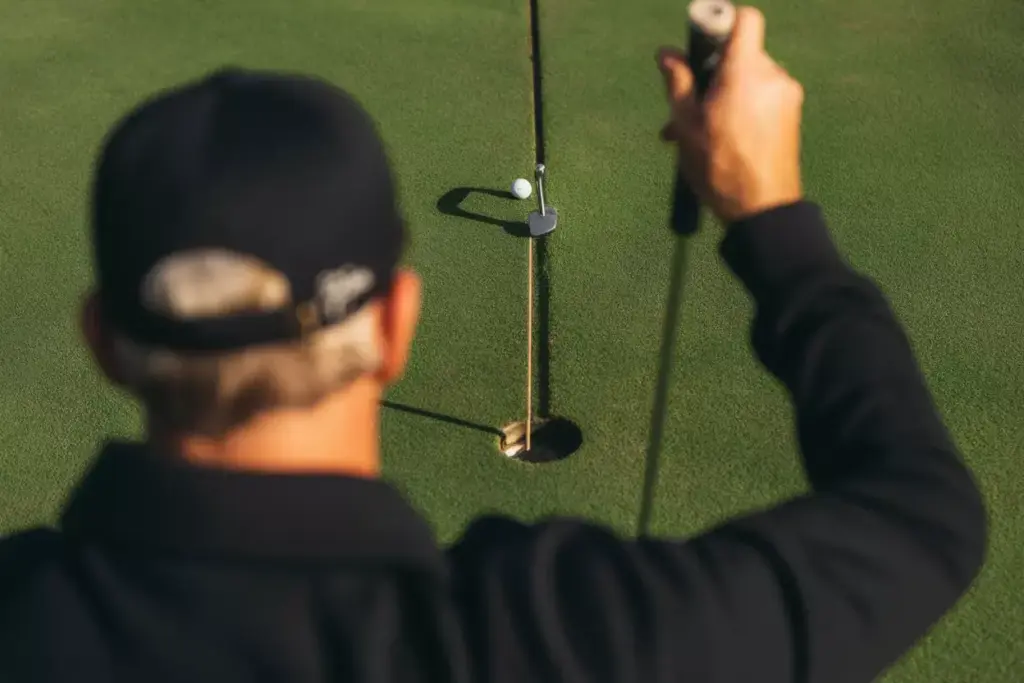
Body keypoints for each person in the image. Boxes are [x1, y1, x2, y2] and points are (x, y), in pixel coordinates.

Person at [0, 6, 985, 682]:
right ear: (395, 322)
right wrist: (768, 214)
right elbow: (921, 518)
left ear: (102, 340)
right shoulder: (572, 637)